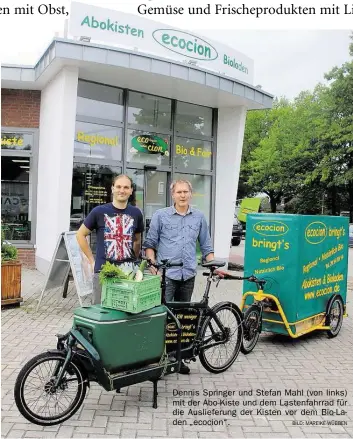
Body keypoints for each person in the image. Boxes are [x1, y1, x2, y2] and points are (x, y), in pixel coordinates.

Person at [143, 179, 214, 374]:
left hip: (188, 274)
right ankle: (159, 357)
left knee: (184, 318)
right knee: (162, 317)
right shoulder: (161, 216)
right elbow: (150, 244)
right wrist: (153, 265)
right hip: (166, 275)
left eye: (186, 192)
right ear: (172, 195)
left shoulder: (199, 217)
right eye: (179, 192)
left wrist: (213, 264)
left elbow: (206, 245)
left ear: (190, 194)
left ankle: (178, 358)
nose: (182, 195)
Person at [77, 174, 144, 305]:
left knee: (125, 312)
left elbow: (137, 240)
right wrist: (91, 260)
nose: (122, 190)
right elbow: (80, 235)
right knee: (100, 311)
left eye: (126, 187)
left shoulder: (136, 213)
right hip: (103, 272)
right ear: (112, 188)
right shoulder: (99, 211)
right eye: (118, 186)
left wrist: (134, 261)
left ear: (131, 191)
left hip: (128, 274)